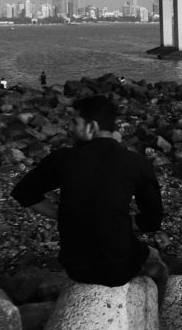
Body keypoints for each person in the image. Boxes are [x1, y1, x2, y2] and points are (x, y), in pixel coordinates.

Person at [11, 95, 167, 295]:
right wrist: (116, 221)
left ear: (91, 127)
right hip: (117, 268)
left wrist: (64, 215)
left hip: (75, 266)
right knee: (155, 259)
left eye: (75, 122)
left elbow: (24, 193)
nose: (70, 128)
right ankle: (160, 315)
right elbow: (153, 220)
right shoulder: (137, 163)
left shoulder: (63, 159)